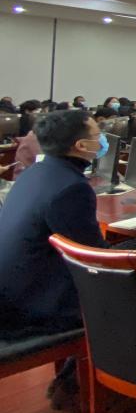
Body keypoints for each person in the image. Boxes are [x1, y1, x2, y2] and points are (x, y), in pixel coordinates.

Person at [0, 110, 109, 337]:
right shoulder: (72, 188)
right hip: (37, 310)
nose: (101, 139)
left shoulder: (34, 172)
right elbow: (94, 257)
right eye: (97, 134)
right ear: (81, 145)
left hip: (12, 298)